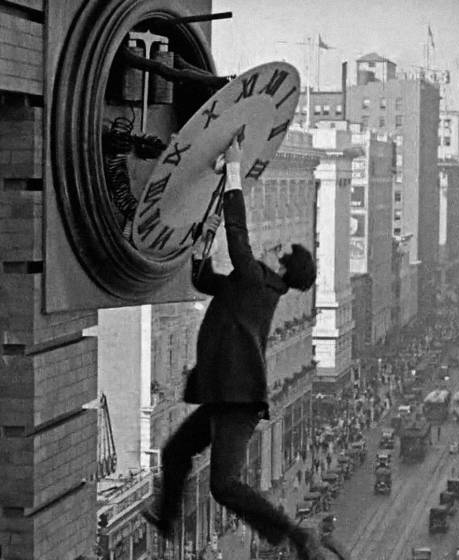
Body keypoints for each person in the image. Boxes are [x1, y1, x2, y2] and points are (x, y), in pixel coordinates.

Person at [142, 139, 328, 559]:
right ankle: (167, 519)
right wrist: (200, 246)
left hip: (237, 398)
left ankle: (296, 536)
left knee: (224, 485)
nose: (273, 248)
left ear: (283, 266)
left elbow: (239, 232)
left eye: (281, 251)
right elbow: (205, 280)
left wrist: (234, 172)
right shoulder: (251, 286)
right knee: (175, 453)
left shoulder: (256, 282)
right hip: (224, 393)